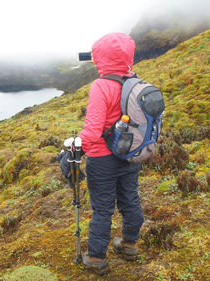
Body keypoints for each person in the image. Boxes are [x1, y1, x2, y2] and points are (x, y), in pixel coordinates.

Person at [78, 32, 144, 275]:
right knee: (130, 199)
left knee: (103, 208)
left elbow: (93, 131)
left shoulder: (101, 86)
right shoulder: (135, 83)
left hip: (102, 159)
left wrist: (76, 149)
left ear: (101, 58)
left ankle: (95, 259)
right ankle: (129, 245)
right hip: (130, 154)